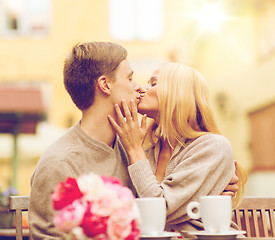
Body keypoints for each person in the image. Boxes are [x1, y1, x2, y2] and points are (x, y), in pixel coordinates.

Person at [108, 62, 247, 237]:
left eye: (153, 83)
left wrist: (135, 150)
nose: (141, 88)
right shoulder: (148, 148)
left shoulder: (213, 145)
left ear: (177, 93)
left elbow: (161, 209)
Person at [28, 42, 142, 239]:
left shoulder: (131, 147)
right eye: (130, 78)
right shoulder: (59, 163)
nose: (137, 86)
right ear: (105, 85)